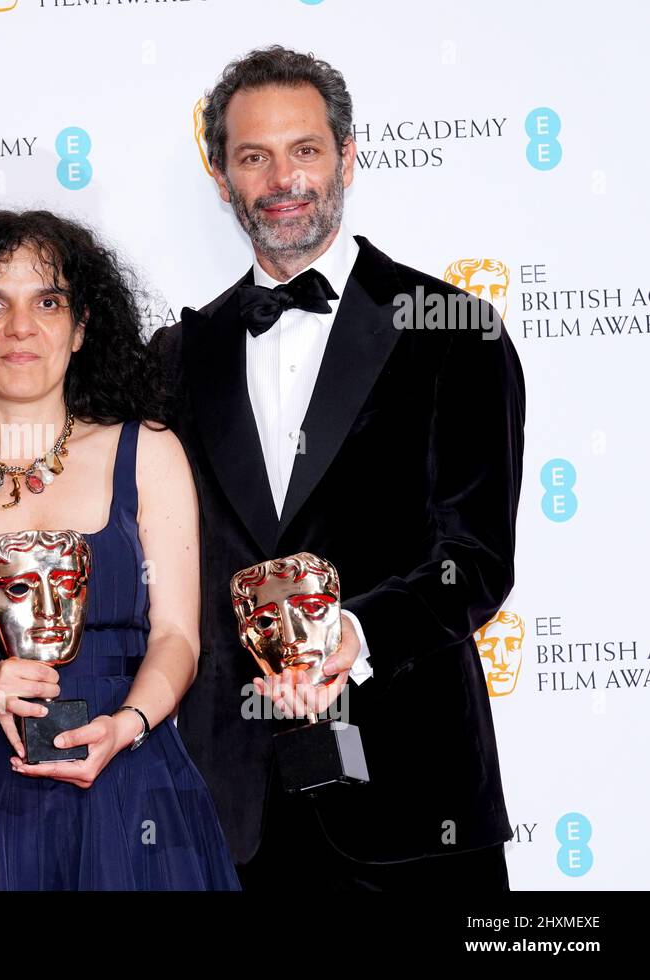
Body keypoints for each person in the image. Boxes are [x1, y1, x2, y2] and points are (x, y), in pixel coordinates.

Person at [152, 45, 524, 890]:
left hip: (414, 799)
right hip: (232, 813)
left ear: (348, 155)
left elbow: (476, 560)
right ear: (221, 178)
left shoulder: (455, 332)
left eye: (305, 150)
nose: (282, 178)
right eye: (253, 157)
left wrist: (350, 636)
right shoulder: (177, 356)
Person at [0, 209, 239, 890]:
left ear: (81, 326)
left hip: (130, 789)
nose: (19, 327)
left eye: (47, 301)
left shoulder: (147, 451)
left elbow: (179, 636)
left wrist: (128, 724)